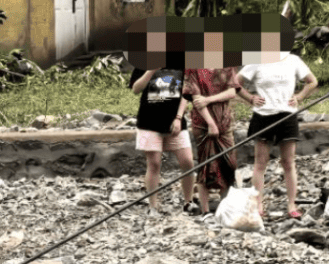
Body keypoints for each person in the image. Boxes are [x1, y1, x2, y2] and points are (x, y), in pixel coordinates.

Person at [236, 52, 318, 219]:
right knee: (260, 162)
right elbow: (235, 83)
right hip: (263, 116)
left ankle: (291, 205)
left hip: (287, 115)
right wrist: (250, 98)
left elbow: (312, 81)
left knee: (288, 162)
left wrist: (300, 97)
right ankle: (258, 204)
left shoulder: (293, 60)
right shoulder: (257, 60)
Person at [129, 66, 198, 215]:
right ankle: (153, 206)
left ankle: (188, 202)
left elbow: (186, 93)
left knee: (188, 162)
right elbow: (135, 89)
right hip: (149, 121)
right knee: (154, 164)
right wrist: (151, 70)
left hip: (175, 121)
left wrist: (179, 117)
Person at [182, 67, 239, 216]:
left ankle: (225, 208)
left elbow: (232, 92)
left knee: (229, 164)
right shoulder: (192, 68)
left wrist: (208, 99)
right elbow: (196, 99)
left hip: (224, 121)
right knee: (206, 165)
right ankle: (205, 211)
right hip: (202, 123)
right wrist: (210, 123)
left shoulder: (227, 66)